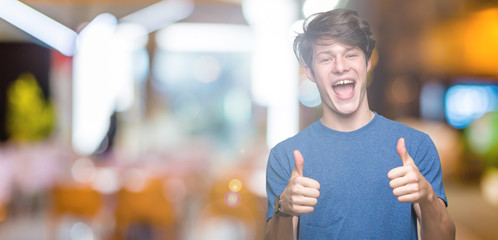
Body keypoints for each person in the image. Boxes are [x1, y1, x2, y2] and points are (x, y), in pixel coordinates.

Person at [264, 8, 455, 240]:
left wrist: (427, 197)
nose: (340, 66)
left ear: (367, 63)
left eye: (351, 54)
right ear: (311, 73)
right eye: (326, 58)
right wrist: (284, 209)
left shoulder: (416, 146)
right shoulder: (285, 157)